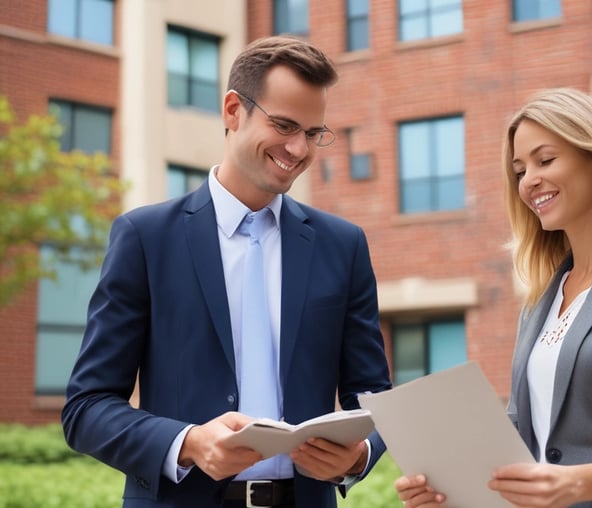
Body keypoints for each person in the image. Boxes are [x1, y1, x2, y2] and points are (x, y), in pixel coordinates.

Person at [62, 36, 392, 508]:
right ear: (234, 111)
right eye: (283, 125)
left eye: (314, 132)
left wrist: (358, 456)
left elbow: (374, 395)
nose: (298, 148)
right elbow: (86, 408)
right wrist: (189, 443)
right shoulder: (145, 238)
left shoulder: (343, 245)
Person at [395, 88, 592, 508]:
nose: (529, 180)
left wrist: (575, 483)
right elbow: (524, 433)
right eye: (519, 170)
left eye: (545, 160)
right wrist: (447, 487)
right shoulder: (541, 300)